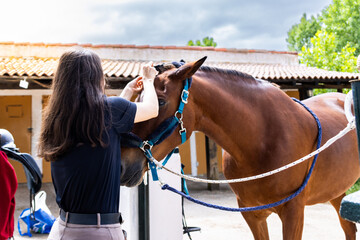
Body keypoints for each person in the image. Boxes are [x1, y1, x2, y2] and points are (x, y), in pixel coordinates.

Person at [38, 48, 159, 240]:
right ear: (96, 78)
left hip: (61, 230)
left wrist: (127, 92)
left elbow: (105, 123)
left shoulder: (57, 118)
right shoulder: (109, 109)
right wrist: (149, 80)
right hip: (99, 232)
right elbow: (152, 109)